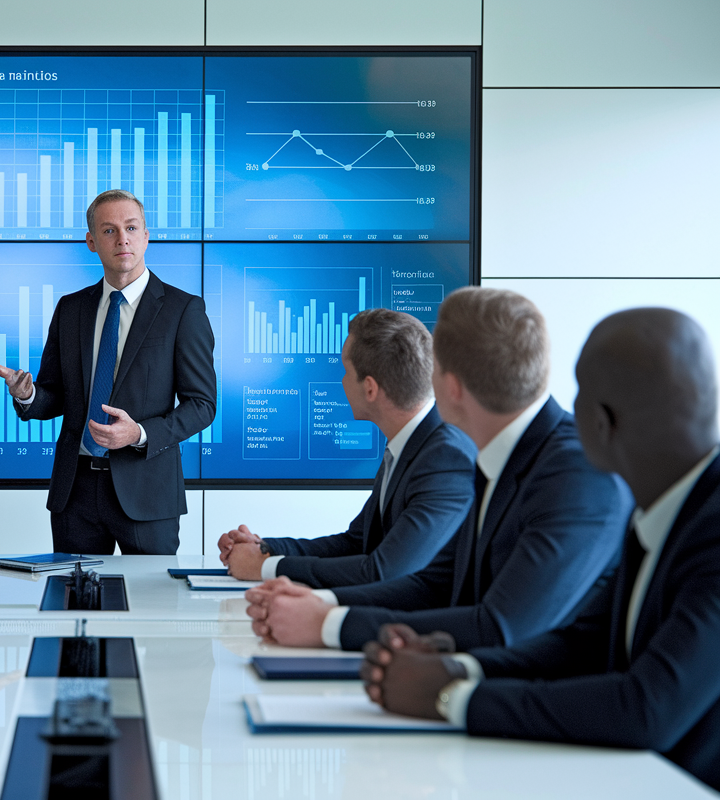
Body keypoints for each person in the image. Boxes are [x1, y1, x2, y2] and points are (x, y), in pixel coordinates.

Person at [359, 308, 720, 791]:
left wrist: (453, 697)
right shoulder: (664, 508)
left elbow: (645, 707)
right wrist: (461, 666)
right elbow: (582, 643)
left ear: (600, 422)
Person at [245, 287, 632, 651]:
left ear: (451, 386)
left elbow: (501, 627)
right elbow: (436, 584)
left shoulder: (578, 474)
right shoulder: (498, 455)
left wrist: (330, 624)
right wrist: (315, 602)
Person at [0, 190, 216, 555]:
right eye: (109, 230)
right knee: (73, 607)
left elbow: (202, 404)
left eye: (131, 228)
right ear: (92, 242)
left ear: (146, 236)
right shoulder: (71, 309)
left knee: (150, 607)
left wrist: (139, 433)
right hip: (75, 491)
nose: (122, 238)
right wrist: (27, 394)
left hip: (147, 494)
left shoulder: (182, 310)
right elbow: (56, 395)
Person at [218, 308, 477, 586]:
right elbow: (357, 542)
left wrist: (267, 568)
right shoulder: (409, 444)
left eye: (345, 370)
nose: (341, 381)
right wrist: (265, 548)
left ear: (370, 389)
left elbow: (383, 571)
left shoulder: (446, 458)